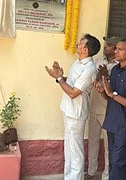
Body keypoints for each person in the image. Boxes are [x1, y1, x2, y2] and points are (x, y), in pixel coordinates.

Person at [45, 34, 101, 180]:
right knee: (69, 148)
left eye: (80, 43)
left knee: (76, 150)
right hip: (68, 109)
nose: (77, 44)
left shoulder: (89, 69)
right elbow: (69, 84)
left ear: (86, 49)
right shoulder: (78, 63)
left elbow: (73, 93)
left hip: (76, 113)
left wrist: (58, 78)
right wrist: (59, 76)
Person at [95, 38, 126, 180]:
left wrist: (113, 94)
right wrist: (103, 91)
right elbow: (109, 97)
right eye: (115, 48)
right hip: (111, 121)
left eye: (120, 49)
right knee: (112, 161)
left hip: (124, 124)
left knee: (118, 162)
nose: (115, 51)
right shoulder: (115, 70)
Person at [86, 36, 120, 180]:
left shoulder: (119, 65)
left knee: (108, 146)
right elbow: (93, 80)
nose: (105, 47)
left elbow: (115, 90)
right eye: (106, 44)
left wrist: (106, 75)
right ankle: (91, 171)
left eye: (109, 45)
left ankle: (107, 175)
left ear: (116, 49)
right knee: (93, 141)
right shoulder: (101, 61)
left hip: (108, 111)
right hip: (94, 108)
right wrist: (101, 74)